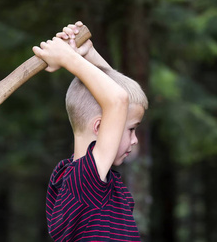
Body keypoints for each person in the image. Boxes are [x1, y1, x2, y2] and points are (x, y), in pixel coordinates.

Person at [32, 21, 148, 242]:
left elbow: (122, 98)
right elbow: (117, 100)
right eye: (131, 130)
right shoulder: (83, 182)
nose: (134, 140)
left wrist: (89, 56)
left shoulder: (91, 183)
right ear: (99, 128)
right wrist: (69, 59)